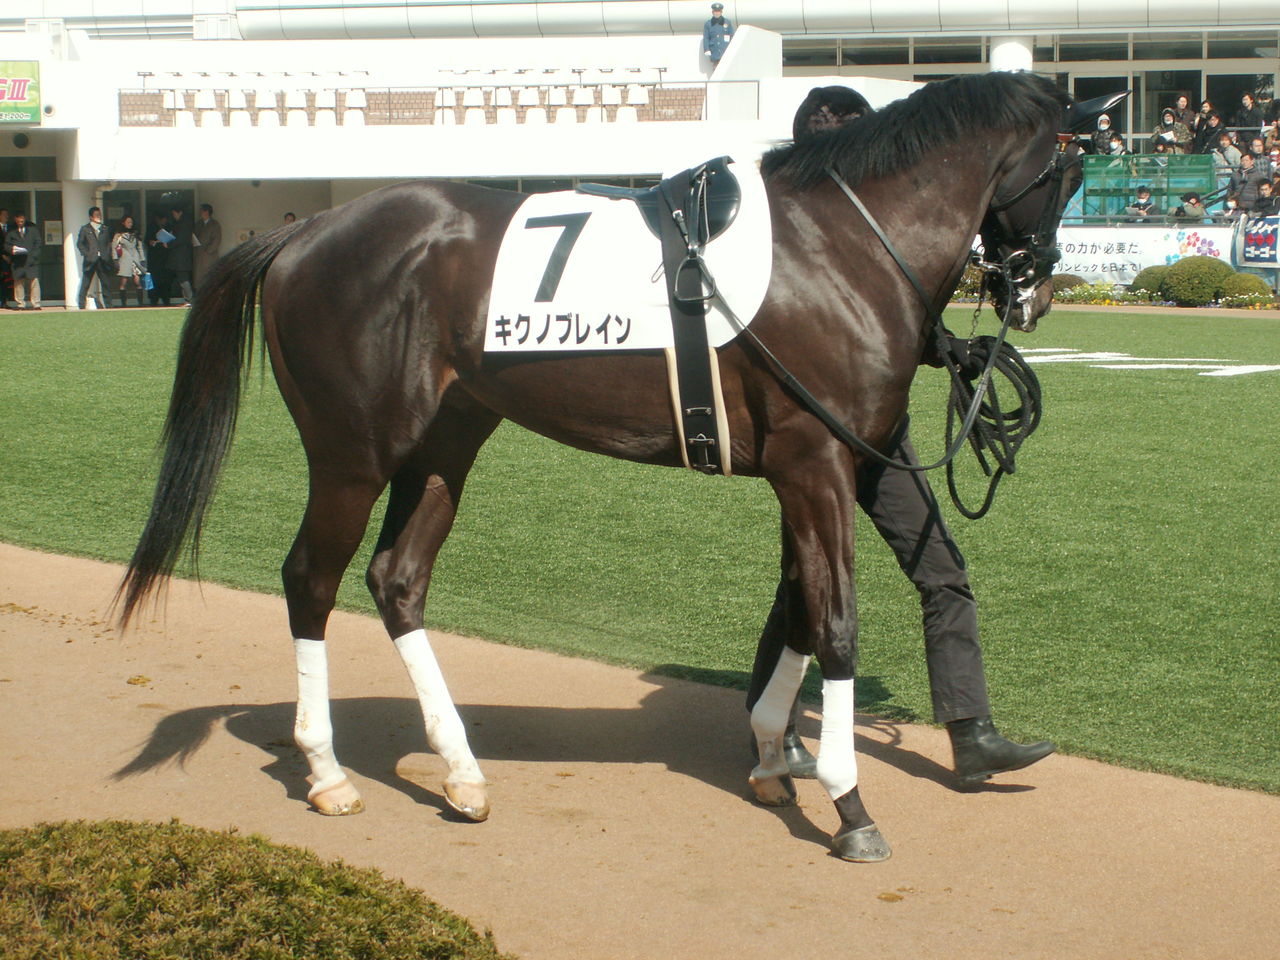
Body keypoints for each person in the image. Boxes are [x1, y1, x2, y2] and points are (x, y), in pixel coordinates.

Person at [747, 89, 1056, 790]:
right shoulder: (795, 224)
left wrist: (947, 347)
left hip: (880, 433)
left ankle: (971, 732)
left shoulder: (874, 230)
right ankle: (770, 727)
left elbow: (879, 329)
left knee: (937, 567)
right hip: (814, 434)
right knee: (804, 580)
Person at [75, 206, 115, 311]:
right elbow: (80, 244)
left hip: (103, 260)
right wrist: (87, 254)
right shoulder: (85, 229)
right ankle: (81, 305)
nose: (99, 217)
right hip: (90, 260)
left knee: (105, 283)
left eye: (99, 215)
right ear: (91, 217)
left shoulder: (105, 229)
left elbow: (108, 244)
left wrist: (107, 254)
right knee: (86, 282)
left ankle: (109, 305)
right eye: (96, 215)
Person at [4, 211, 42, 310]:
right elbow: (7, 245)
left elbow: (38, 243)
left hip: (31, 261)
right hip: (17, 261)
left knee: (34, 281)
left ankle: (36, 304)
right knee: (18, 283)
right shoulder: (11, 230)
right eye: (18, 220)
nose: (20, 222)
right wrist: (12, 250)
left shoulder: (32, 229)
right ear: (15, 220)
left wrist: (34, 256)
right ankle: (20, 304)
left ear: (24, 219)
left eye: (22, 220)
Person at [111, 214, 147, 307]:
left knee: (137, 280)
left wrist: (142, 259)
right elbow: (115, 247)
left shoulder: (135, 234)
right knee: (124, 280)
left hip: (135, 258)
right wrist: (115, 259)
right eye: (128, 222)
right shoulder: (118, 235)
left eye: (131, 222)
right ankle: (123, 303)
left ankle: (140, 302)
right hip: (124, 258)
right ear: (123, 223)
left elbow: (140, 247)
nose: (130, 224)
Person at [164, 204, 194, 305]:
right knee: (182, 278)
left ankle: (189, 300)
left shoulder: (184, 224)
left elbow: (180, 239)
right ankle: (187, 300)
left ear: (179, 212)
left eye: (174, 214)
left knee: (183, 278)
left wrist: (168, 244)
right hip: (180, 256)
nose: (173, 216)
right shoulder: (183, 223)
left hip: (181, 256)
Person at [192, 202, 222, 290]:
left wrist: (208, 251)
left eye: (201, 211)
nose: (200, 213)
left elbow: (217, 240)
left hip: (209, 256)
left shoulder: (215, 224)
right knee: (198, 278)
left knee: (210, 276)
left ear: (207, 212)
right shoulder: (198, 224)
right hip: (198, 253)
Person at [145, 211, 172, 307]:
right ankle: (153, 300)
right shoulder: (152, 227)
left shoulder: (169, 227)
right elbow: (146, 240)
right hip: (154, 258)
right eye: (162, 220)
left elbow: (172, 239)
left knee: (166, 280)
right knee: (154, 279)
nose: (164, 222)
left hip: (166, 257)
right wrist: (151, 242)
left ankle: (166, 299)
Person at [701, 3, 734, 69]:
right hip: (714, 52)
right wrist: (706, 49)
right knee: (716, 71)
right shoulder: (708, 24)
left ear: (721, 12)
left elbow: (732, 36)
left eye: (718, 11)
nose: (717, 13)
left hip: (725, 51)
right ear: (712, 12)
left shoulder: (727, 22)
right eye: (715, 11)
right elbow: (706, 38)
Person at [0, 208, 13, 309]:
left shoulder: (11, 228)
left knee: (6, 281)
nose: (6, 217)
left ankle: (5, 301)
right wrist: (2, 255)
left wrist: (9, 256)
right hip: (1, 258)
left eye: (7, 215)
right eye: (4, 215)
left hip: (8, 260)